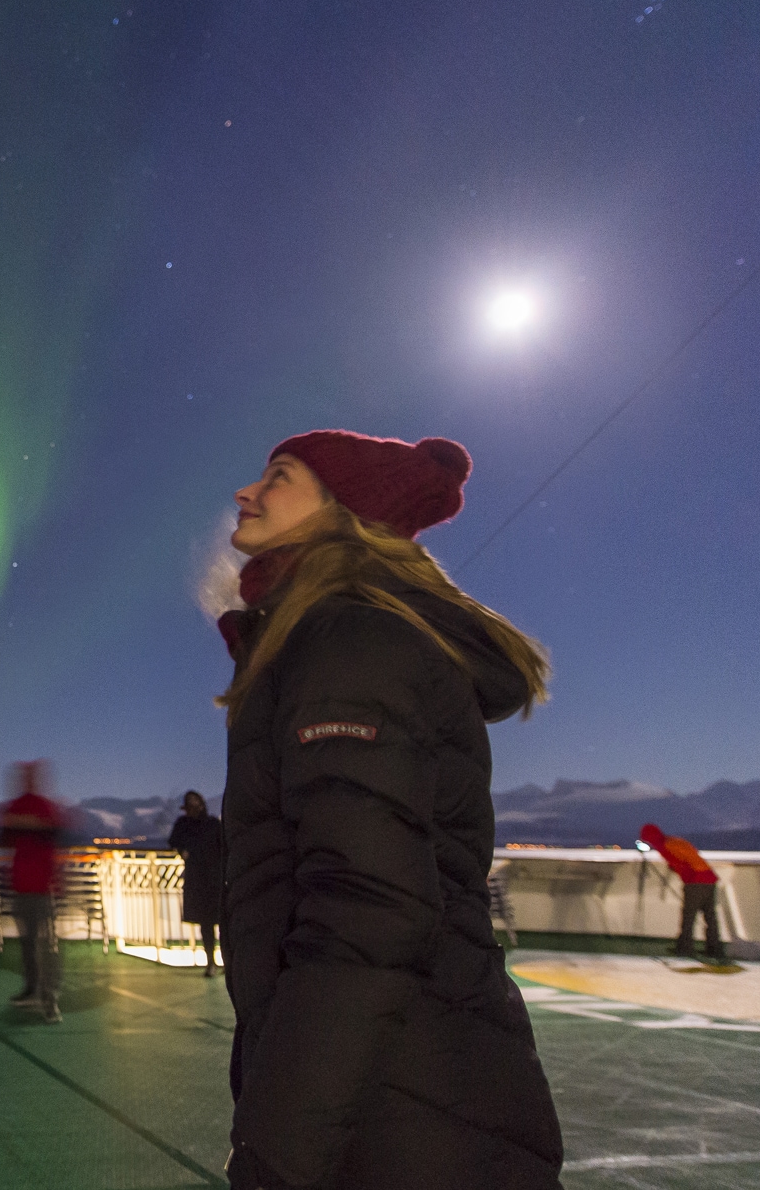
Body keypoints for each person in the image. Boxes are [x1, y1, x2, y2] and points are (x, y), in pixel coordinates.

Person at [214, 430, 563, 1190]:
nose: (246, 492)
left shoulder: (348, 639)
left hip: (402, 1107)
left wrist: (277, 1151)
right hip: (411, 1085)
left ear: (345, 512)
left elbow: (366, 908)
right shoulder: (331, 637)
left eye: (278, 476)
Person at [0, 760, 66, 1024]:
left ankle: (50, 1000)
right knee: (28, 944)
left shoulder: (46, 807)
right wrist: (20, 823)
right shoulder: (14, 807)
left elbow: (54, 833)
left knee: (48, 945)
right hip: (21, 885)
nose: (24, 781)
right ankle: (31, 990)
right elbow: (2, 836)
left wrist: (24, 824)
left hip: (44, 886)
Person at [638, 822, 725, 960]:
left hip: (696, 881)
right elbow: (690, 857)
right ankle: (715, 950)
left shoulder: (666, 846)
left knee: (689, 916)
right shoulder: (673, 841)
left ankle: (685, 949)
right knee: (710, 916)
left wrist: (681, 871)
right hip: (709, 879)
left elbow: (683, 862)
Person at [166, 790, 224, 977]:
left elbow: (223, 846)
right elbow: (173, 841)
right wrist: (182, 850)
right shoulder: (186, 824)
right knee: (208, 923)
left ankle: (220, 963)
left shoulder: (213, 824)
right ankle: (212, 963)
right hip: (200, 879)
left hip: (213, 878)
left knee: (218, 922)